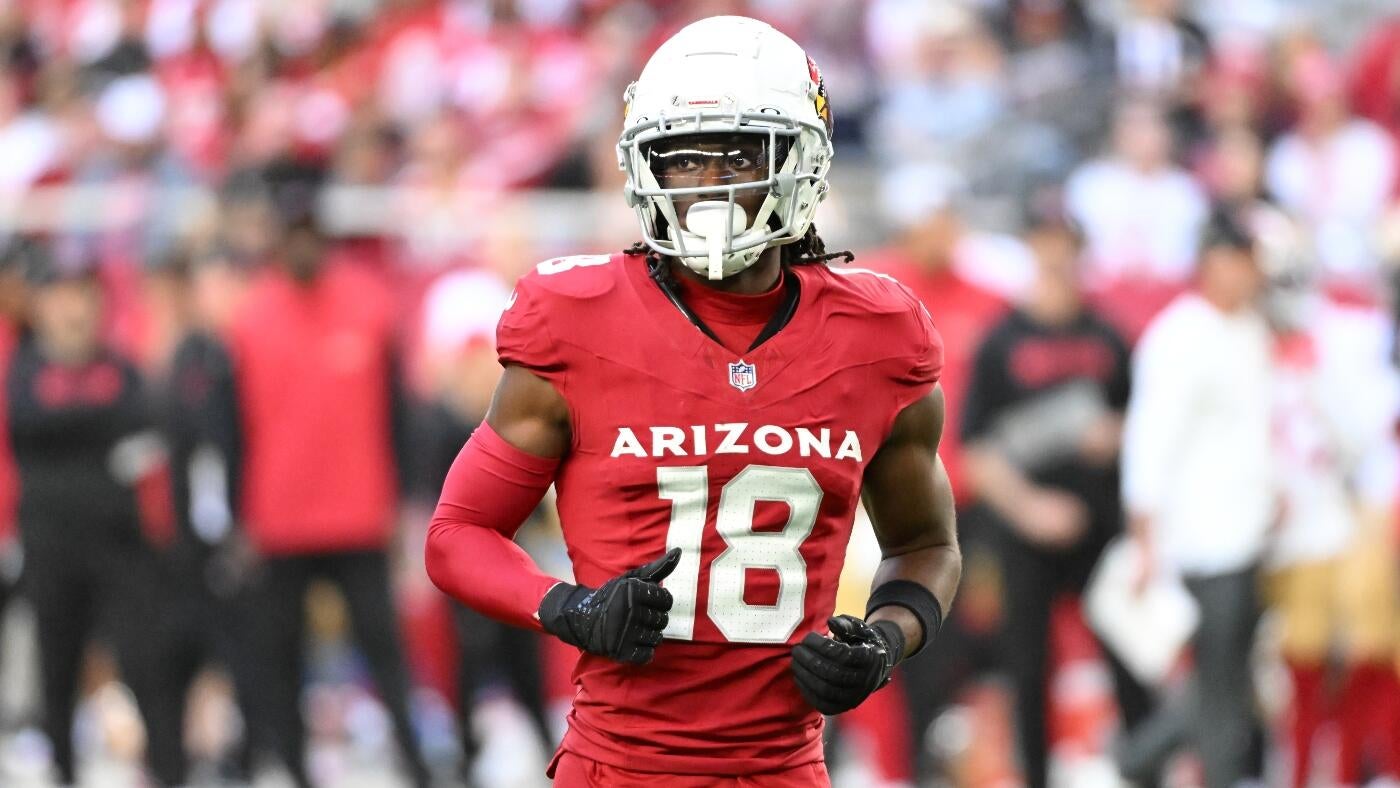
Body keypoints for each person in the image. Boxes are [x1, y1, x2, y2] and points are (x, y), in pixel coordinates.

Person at [425, 16, 961, 787]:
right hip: (619, 768)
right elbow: (457, 534)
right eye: (683, 158)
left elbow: (926, 546)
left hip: (784, 770)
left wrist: (884, 640)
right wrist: (572, 608)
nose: (710, 181)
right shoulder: (575, 320)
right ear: (645, 168)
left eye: (739, 154)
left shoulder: (876, 337)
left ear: (801, 161)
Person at [226, 168, 430, 788]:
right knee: (283, 657)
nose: (301, 243)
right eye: (292, 232)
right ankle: (292, 767)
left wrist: (409, 502)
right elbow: (232, 431)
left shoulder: (369, 305)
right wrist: (238, 517)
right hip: (279, 520)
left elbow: (400, 416)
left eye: (309, 230)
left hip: (358, 515)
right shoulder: (249, 319)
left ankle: (416, 762)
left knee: (385, 651)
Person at [960, 216, 1151, 788]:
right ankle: (1034, 777)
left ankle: (1145, 768)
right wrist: (1029, 509)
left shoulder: (1107, 335)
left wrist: (1115, 434)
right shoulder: (1001, 341)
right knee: (1026, 666)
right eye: (1046, 248)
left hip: (1101, 528)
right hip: (1025, 533)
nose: (1056, 261)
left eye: (1066, 249)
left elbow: (1145, 423)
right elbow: (977, 450)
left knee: (1130, 654)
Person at [1117, 209, 1274, 788]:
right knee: (1220, 682)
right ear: (1209, 263)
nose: (1247, 272)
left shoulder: (1251, 330)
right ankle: (1158, 763)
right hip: (1201, 536)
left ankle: (1136, 759)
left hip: (1250, 528)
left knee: (1227, 675)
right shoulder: (1178, 337)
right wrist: (1144, 540)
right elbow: (1148, 442)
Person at [6, 241, 165, 785]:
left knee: (144, 662)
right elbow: (29, 425)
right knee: (57, 669)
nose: (74, 309)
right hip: (50, 546)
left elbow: (143, 429)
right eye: (62, 296)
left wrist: (73, 425)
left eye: (84, 295)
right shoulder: (23, 370)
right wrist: (95, 429)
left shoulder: (121, 369)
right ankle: (62, 770)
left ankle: (165, 768)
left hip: (119, 547)